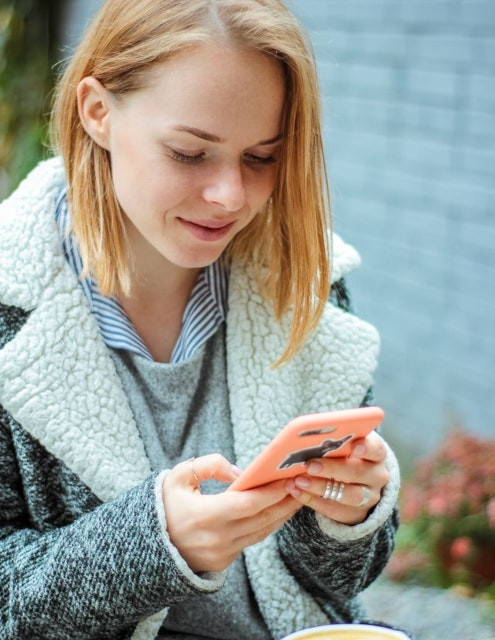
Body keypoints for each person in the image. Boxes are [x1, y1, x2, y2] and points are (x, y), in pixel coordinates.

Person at [0, 0, 401, 638]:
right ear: (97, 112)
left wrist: (347, 515)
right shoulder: (7, 303)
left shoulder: (307, 279)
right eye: (190, 153)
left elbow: (343, 581)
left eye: (262, 157)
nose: (230, 197)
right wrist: (153, 547)